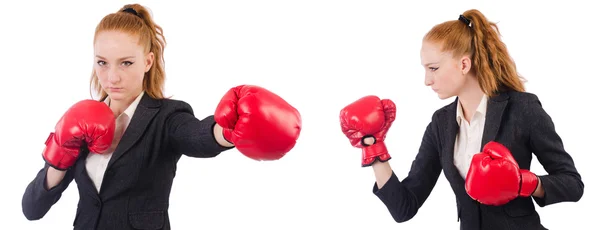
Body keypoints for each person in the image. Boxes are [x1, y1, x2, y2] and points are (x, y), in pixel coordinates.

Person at [21, 4, 302, 230]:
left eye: (126, 63)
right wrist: (60, 154)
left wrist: (227, 130)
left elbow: (197, 137)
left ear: (148, 61)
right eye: (102, 62)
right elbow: (32, 210)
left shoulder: (166, 117)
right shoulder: (83, 120)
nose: (112, 77)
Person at [339, 9, 583, 230]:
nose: (427, 80)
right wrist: (374, 148)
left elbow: (572, 184)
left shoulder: (522, 108)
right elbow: (404, 208)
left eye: (433, 68)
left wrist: (525, 183)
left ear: (464, 64)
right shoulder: (440, 124)